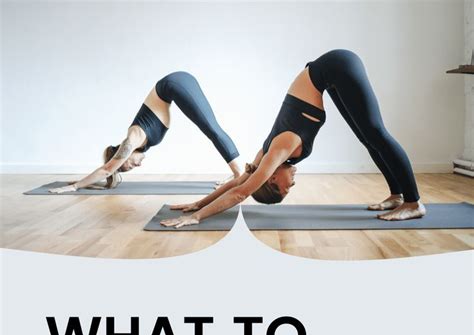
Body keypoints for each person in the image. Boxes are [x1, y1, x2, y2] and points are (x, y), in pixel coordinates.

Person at [162, 50, 425, 228]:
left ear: (273, 178)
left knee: (376, 133)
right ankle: (396, 195)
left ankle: (413, 202)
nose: (293, 184)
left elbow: (241, 192)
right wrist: (198, 202)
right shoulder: (264, 158)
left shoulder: (278, 151)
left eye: (287, 188)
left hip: (337, 65)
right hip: (329, 74)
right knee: (368, 138)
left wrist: (197, 217)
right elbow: (239, 181)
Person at [49, 71, 242, 193]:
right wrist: (83, 181)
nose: (136, 166)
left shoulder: (133, 139)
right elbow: (108, 172)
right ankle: (238, 174)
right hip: (175, 85)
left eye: (128, 165)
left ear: (125, 154)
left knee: (211, 129)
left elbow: (107, 169)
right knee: (211, 128)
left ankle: (239, 175)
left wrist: (75, 186)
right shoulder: (142, 142)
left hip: (174, 83)